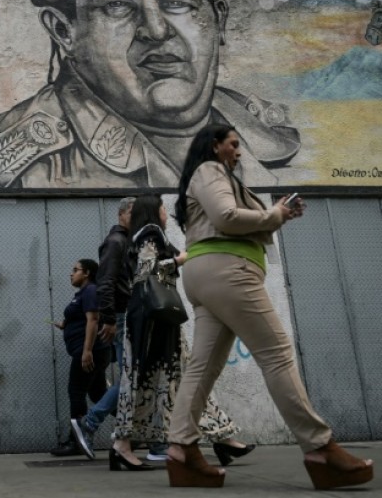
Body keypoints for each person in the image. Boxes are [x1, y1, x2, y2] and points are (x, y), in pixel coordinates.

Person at [0, 0, 300, 190]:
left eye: (176, 3)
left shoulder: (275, 134)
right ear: (65, 31)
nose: (156, 31)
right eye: (116, 6)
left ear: (218, 23)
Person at [166, 124, 374, 489]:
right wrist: (274, 215)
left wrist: (280, 214)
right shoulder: (210, 170)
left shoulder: (207, 176)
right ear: (215, 146)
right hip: (228, 272)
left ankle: (181, 449)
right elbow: (227, 218)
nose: (239, 152)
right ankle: (320, 447)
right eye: (233, 144)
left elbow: (230, 220)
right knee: (276, 354)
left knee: (202, 368)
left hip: (209, 274)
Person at [110, 195, 252, 471]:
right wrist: (180, 260)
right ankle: (123, 446)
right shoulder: (150, 233)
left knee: (170, 379)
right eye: (163, 207)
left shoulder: (143, 235)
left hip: (151, 319)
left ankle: (222, 438)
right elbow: (147, 271)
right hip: (152, 321)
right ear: (154, 211)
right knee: (158, 379)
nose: (166, 212)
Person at [70, 197, 134, 460]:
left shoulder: (130, 243)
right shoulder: (117, 242)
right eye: (136, 213)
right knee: (129, 379)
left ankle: (121, 430)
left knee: (127, 380)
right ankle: (92, 425)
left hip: (113, 332)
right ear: (123, 214)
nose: (71, 273)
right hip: (119, 324)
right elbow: (96, 313)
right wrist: (111, 319)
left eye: (75, 270)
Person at [48, 259, 113, 457]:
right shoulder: (83, 293)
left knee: (76, 391)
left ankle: (78, 440)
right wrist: (66, 325)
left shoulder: (91, 290)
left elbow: (93, 320)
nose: (71, 273)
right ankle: (133, 429)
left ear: (87, 273)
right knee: (99, 395)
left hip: (90, 352)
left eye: (75, 270)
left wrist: (87, 351)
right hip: (93, 351)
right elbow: (83, 318)